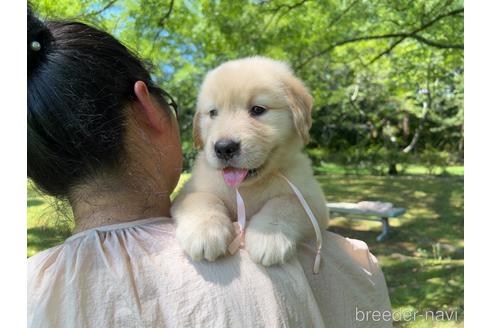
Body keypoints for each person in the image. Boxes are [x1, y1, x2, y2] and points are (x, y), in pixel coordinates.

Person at [27, 7, 393, 328]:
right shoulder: (340, 265)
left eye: (257, 111)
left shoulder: (25, 290)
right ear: (148, 108)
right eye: (211, 114)